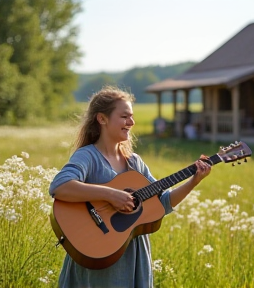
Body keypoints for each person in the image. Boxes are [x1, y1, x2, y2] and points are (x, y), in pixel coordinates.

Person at [49, 85, 211, 288]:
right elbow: (60, 186)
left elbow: (163, 203)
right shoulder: (88, 156)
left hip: (133, 255)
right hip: (97, 251)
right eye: (125, 116)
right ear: (102, 118)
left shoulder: (135, 162)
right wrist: (110, 195)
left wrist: (193, 181)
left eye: (132, 117)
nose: (131, 122)